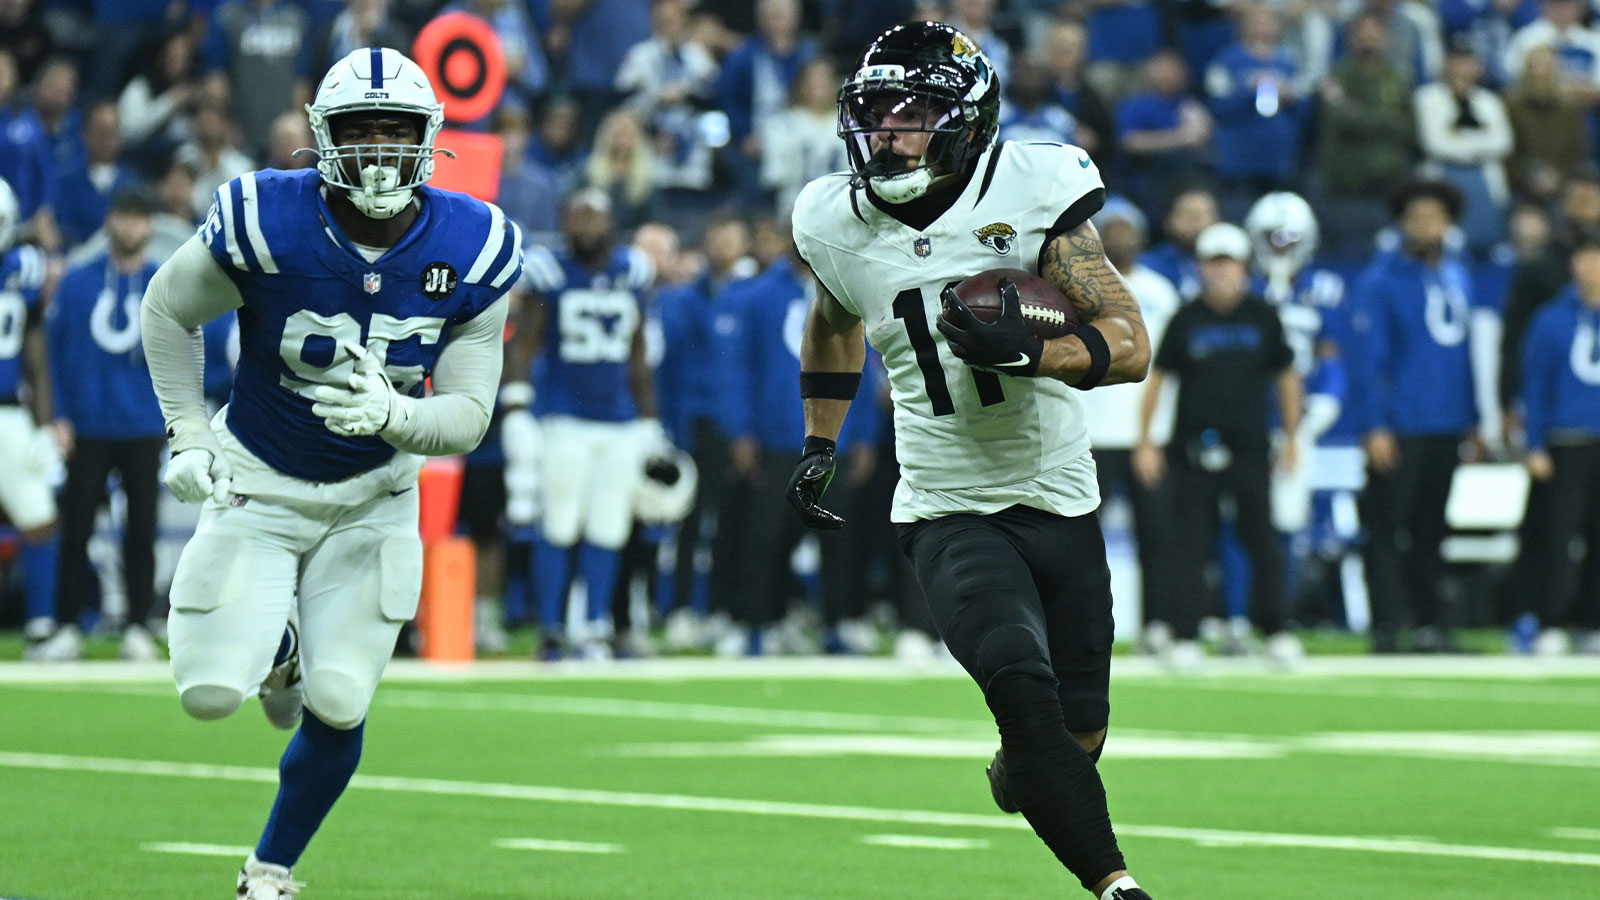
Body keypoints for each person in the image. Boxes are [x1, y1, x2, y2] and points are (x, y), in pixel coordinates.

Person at [139, 48, 521, 897]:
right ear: (323, 139)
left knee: (343, 699)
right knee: (206, 692)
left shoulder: (474, 241)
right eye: (361, 131)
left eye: (397, 131)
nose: (380, 150)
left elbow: (468, 412)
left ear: (429, 140)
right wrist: (189, 434)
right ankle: (279, 651)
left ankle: (269, 871)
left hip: (372, 498)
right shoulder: (265, 216)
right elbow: (168, 309)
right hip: (260, 476)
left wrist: (398, 417)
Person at [789, 22, 1155, 900]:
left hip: (1059, 497)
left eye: (913, 114)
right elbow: (836, 316)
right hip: (946, 503)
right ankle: (1120, 888)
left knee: (1073, 741)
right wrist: (819, 438)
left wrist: (1035, 352)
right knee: (1019, 687)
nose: (889, 133)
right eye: (875, 113)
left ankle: (1025, 772)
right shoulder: (832, 219)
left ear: (967, 121)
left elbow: (1129, 342)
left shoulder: (1034, 188)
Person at [1135, 223, 1305, 669]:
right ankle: (1185, 633)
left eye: (1229, 262)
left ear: (1243, 267)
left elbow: (1286, 378)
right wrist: (1146, 441)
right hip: (1192, 449)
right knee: (1188, 543)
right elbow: (1159, 378)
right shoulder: (1187, 317)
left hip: (1250, 447)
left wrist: (1291, 437)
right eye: (1214, 263)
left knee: (1261, 540)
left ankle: (1277, 630)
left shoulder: (1262, 315)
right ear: (1201, 267)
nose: (1222, 272)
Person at [507, 188, 660, 661]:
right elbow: (525, 343)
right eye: (578, 218)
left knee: (609, 526)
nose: (587, 228)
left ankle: (594, 625)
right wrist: (516, 406)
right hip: (565, 418)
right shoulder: (550, 273)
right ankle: (552, 628)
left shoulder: (630, 272)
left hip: (618, 421)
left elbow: (638, 354)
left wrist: (649, 421)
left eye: (595, 218)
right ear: (564, 222)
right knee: (558, 523)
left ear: (612, 223)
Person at [1347, 180, 1479, 653]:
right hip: (1399, 426)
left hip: (1446, 423)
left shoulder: (1459, 276)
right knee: (1386, 529)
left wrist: (1473, 418)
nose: (1427, 226)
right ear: (1401, 224)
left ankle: (1430, 625)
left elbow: (1465, 358)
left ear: (1450, 224)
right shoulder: (1380, 281)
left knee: (1431, 529)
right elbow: (1366, 362)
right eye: (1417, 217)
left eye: (1435, 217)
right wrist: (1374, 425)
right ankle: (1385, 627)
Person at [41, 188, 164, 662]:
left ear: (149, 225)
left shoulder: (164, 283)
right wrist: (60, 415)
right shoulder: (77, 282)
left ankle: (137, 624)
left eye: (139, 218)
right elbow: (54, 352)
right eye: (123, 217)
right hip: (87, 426)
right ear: (110, 221)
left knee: (142, 529)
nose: (131, 227)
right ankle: (66, 625)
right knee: (75, 529)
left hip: (144, 423)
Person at [1076, 197, 1180, 655]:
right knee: (1078, 543)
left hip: (1146, 438)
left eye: (1127, 229)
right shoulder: (1073, 289)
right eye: (1110, 229)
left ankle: (1158, 625)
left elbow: (1167, 373)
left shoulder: (1161, 292)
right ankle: (1078, 627)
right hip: (1088, 437)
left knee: (1158, 538)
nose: (1120, 237)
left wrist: (1154, 436)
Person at [1516, 233, 1600, 655]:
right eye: (1588, 259)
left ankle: (1592, 623)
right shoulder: (1551, 320)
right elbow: (1535, 387)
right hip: (1565, 442)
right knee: (1556, 537)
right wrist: (1533, 444)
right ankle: (1549, 620)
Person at [0, 175, 61, 656]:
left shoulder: (23, 268)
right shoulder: (23, 263)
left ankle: (41, 625)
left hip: (9, 413)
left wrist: (43, 425)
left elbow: (35, 356)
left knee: (39, 517)